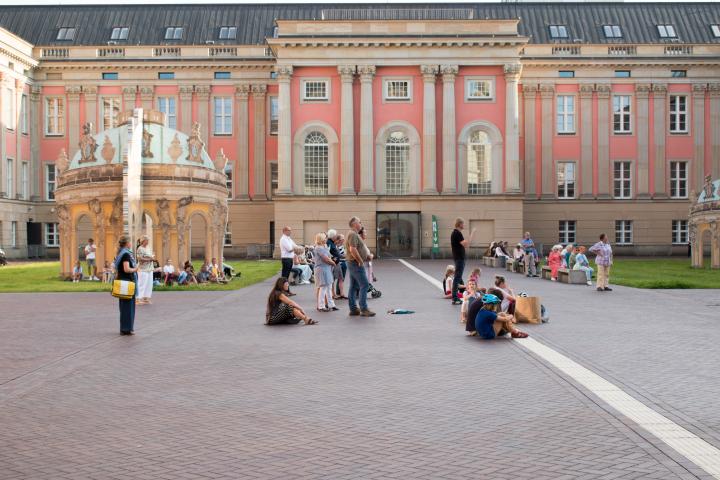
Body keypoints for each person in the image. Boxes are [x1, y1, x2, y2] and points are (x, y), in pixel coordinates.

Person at [346, 216, 375, 317]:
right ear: (354, 224)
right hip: (355, 263)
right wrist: (360, 261)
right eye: (359, 222)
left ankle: (353, 308)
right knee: (364, 285)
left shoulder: (354, 234)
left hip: (353, 263)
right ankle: (363, 308)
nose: (361, 224)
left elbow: (356, 248)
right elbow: (352, 249)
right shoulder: (353, 234)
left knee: (354, 286)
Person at [114, 235, 138, 335]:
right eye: (130, 242)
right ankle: (126, 329)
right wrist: (136, 269)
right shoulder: (126, 254)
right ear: (127, 243)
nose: (131, 243)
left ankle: (125, 328)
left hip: (122, 282)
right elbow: (126, 269)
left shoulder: (120, 253)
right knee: (128, 306)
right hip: (127, 282)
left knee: (124, 306)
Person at [450, 217, 476, 305]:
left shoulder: (456, 233)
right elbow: (466, 244)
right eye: (463, 224)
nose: (464, 225)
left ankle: (455, 297)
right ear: (460, 224)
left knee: (458, 277)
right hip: (459, 258)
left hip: (459, 258)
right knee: (457, 278)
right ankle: (454, 298)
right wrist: (472, 234)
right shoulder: (457, 233)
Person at [313, 233, 337, 312]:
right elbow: (325, 259)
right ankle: (321, 306)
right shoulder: (319, 248)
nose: (326, 239)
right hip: (321, 269)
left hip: (326, 268)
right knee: (323, 288)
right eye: (325, 238)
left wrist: (332, 260)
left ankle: (331, 304)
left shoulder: (324, 247)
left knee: (329, 287)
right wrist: (333, 263)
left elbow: (329, 256)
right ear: (322, 239)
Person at [279, 226, 299, 296]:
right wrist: (296, 248)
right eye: (289, 230)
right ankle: (282, 292)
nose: (290, 231)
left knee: (286, 277)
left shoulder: (289, 238)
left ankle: (287, 291)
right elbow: (290, 249)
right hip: (286, 259)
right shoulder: (283, 239)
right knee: (284, 277)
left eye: (290, 230)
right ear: (284, 231)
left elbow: (295, 245)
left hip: (289, 258)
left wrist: (300, 247)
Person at [135, 235, 155, 305]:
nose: (148, 242)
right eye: (147, 240)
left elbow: (151, 255)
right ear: (143, 241)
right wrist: (150, 259)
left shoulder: (148, 248)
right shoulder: (140, 248)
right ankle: (138, 299)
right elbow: (140, 259)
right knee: (142, 284)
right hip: (143, 269)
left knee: (149, 284)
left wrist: (152, 256)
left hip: (150, 268)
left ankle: (146, 298)